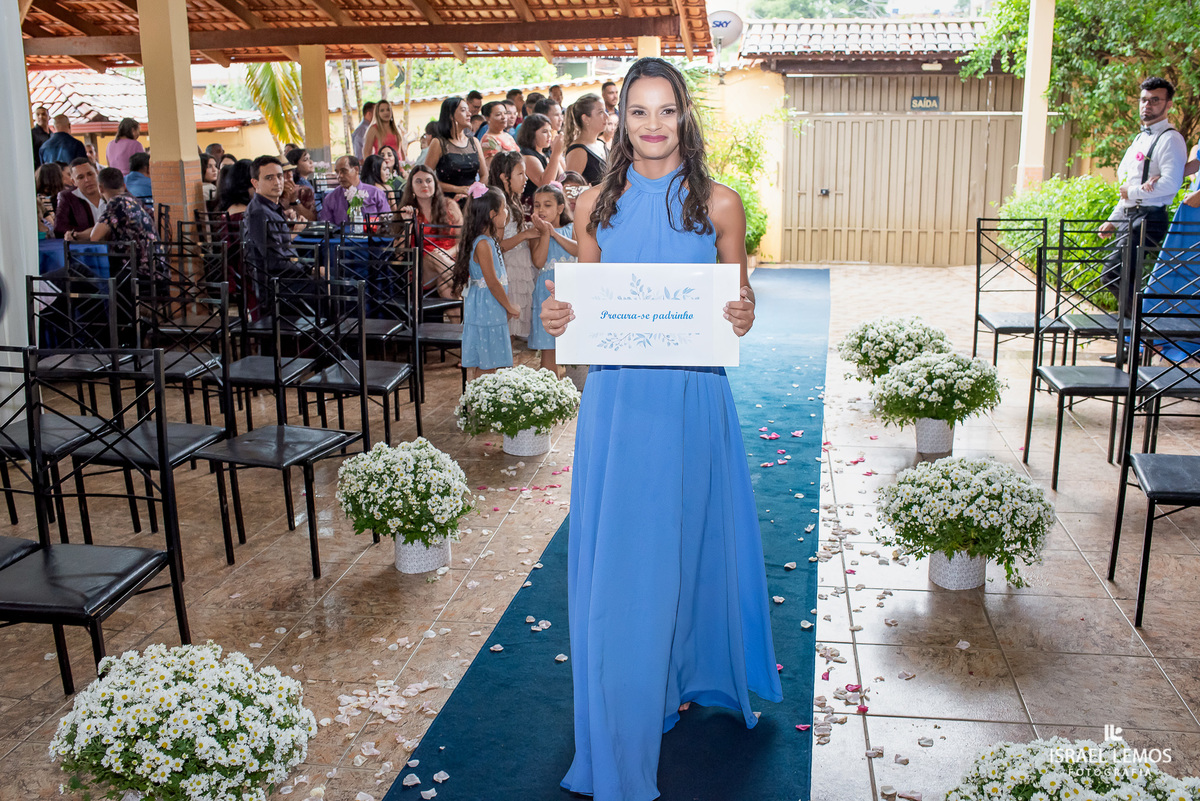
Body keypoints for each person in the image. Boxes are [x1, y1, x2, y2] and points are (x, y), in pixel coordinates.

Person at [538, 57, 779, 801]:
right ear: (617, 121)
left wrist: (742, 311)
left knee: (687, 544)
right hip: (617, 409)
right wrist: (558, 318)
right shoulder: (592, 210)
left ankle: (683, 673)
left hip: (692, 401)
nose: (651, 125)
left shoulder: (720, 206)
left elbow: (740, 304)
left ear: (684, 117)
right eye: (636, 111)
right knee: (623, 571)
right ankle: (618, 726)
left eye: (665, 110)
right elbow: (582, 308)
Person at [1098, 76, 1188, 319]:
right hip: (1132, 217)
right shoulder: (1140, 139)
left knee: (1112, 274)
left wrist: (1135, 192)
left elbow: (1171, 183)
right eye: (1144, 100)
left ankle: (1141, 334)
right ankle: (1132, 342)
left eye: (1155, 100)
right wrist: (1114, 220)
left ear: (1168, 105)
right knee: (1124, 280)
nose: (1147, 105)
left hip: (1150, 219)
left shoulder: (1170, 139)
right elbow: (1126, 188)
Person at [452, 183, 518, 377]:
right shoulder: (482, 244)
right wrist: (509, 307)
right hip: (486, 308)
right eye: (504, 208)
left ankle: (485, 402)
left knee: (492, 359)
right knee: (487, 362)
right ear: (491, 214)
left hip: (490, 306)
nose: (507, 212)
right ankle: (480, 404)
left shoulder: (490, 240)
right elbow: (492, 282)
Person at [487, 150, 538, 339]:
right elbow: (497, 245)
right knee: (507, 326)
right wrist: (525, 234)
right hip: (509, 266)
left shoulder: (513, 200)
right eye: (520, 174)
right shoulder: (499, 206)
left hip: (520, 262)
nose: (526, 178)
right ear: (504, 177)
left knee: (514, 330)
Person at [528, 183, 577, 374]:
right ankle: (550, 395)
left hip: (569, 290)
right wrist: (545, 234)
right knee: (549, 348)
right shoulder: (535, 234)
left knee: (570, 345)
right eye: (537, 205)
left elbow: (579, 249)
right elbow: (539, 262)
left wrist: (554, 233)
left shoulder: (571, 228)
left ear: (560, 208)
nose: (541, 210)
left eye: (547, 205)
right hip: (545, 293)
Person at [399, 164, 463, 299]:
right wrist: (407, 224)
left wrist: (447, 253)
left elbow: (463, 242)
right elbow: (399, 255)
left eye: (429, 181)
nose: (425, 185)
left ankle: (463, 319)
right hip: (422, 271)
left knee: (446, 287)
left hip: (450, 262)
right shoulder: (407, 211)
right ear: (411, 187)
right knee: (435, 255)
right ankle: (468, 285)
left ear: (435, 184)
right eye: (419, 181)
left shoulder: (450, 205)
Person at [243, 155, 306, 288]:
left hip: (288, 276)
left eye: (279, 176)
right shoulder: (259, 213)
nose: (277, 182)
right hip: (276, 285)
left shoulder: (270, 208)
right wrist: (310, 270)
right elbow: (274, 261)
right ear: (255, 183)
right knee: (344, 290)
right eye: (269, 178)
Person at [90, 167, 158, 272]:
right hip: (157, 269)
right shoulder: (133, 200)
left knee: (84, 272)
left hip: (136, 273)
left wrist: (75, 236)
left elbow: (95, 236)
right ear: (124, 186)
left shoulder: (116, 203)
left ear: (100, 188)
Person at [425, 96, 488, 203]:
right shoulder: (439, 143)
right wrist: (458, 189)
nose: (469, 114)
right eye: (463, 110)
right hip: (448, 203)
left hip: (473, 203)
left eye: (468, 110)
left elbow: (485, 175)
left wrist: (474, 192)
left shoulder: (474, 142)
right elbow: (426, 178)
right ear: (451, 116)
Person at [319, 155, 389, 226]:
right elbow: (326, 227)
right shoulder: (331, 198)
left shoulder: (375, 193)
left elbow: (388, 222)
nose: (339, 176)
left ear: (356, 170)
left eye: (344, 171)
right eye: (337, 172)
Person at [517, 114, 564, 209]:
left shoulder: (546, 153)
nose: (549, 135)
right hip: (534, 207)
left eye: (550, 131)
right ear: (532, 133)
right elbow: (545, 184)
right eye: (544, 132)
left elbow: (562, 177)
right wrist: (555, 154)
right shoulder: (527, 156)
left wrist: (556, 153)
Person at [563, 94, 609, 185]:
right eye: (600, 112)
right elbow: (569, 190)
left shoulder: (601, 144)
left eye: (605, 111)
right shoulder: (578, 151)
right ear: (585, 119)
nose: (606, 116)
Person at [56, 158, 106, 239]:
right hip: (86, 248)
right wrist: (84, 234)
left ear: (97, 173)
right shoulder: (67, 197)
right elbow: (59, 228)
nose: (87, 180)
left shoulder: (111, 190)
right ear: (73, 182)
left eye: (90, 174)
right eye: (81, 177)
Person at [480, 100, 520, 165]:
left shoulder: (507, 136)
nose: (504, 117)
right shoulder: (488, 140)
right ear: (487, 118)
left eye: (505, 113)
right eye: (498, 114)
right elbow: (493, 168)